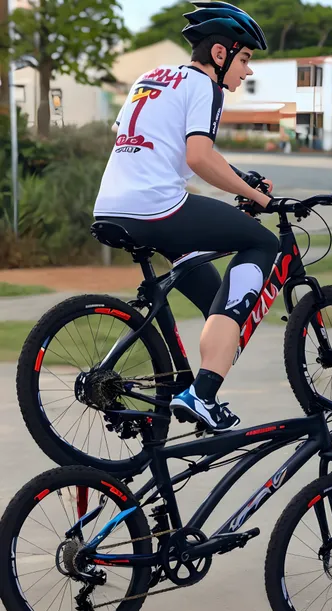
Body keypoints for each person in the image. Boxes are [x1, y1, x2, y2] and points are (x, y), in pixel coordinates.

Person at [93, 2, 278, 433]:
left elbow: (160, 143)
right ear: (221, 55)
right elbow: (198, 157)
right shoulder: (206, 87)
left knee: (213, 292)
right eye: (245, 58)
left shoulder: (152, 77)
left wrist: (238, 178)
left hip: (111, 205)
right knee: (262, 241)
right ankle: (206, 393)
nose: (246, 71)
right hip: (156, 206)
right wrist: (257, 198)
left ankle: (182, 383)